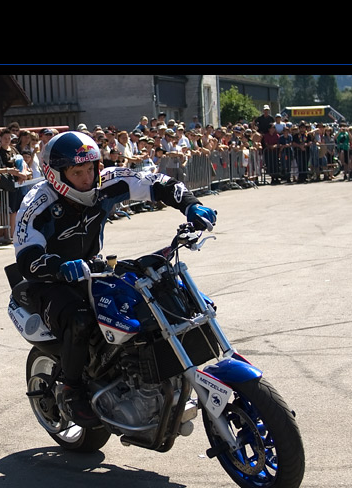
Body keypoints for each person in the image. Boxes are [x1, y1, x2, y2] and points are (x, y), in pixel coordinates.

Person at [12, 131, 216, 427]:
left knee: (147, 292)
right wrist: (57, 266)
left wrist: (191, 204)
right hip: (48, 280)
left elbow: (154, 183)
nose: (86, 178)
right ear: (57, 175)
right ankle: (71, 390)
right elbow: (27, 256)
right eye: (77, 172)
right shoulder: (38, 204)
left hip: (91, 267)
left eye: (90, 169)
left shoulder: (108, 181)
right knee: (80, 320)